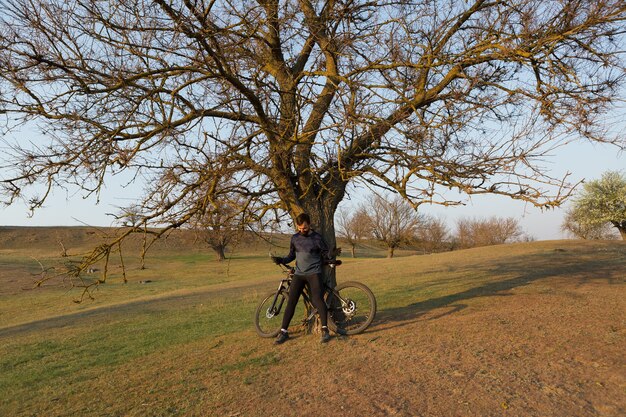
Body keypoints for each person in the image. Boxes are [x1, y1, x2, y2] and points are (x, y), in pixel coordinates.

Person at [271, 213, 332, 344]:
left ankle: (325, 330)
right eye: (299, 228)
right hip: (299, 274)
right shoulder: (295, 238)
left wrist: (330, 256)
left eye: (304, 228)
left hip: (314, 273)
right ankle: (283, 332)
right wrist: (281, 260)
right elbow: (291, 255)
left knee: (317, 299)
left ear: (309, 224)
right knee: (291, 301)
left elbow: (326, 253)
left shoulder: (317, 238)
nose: (302, 230)